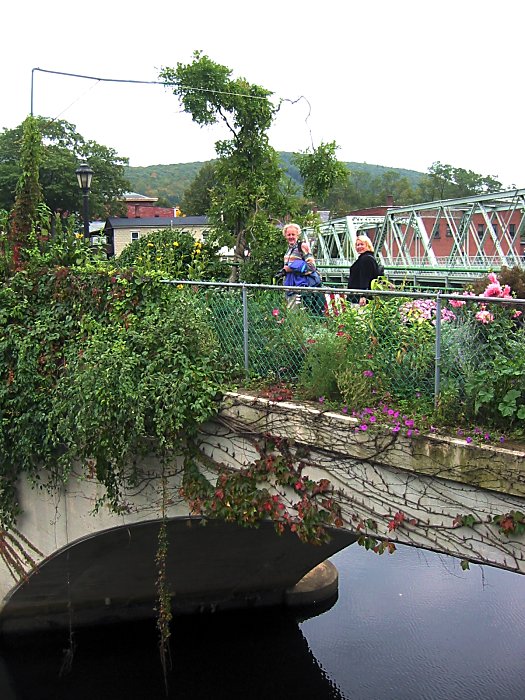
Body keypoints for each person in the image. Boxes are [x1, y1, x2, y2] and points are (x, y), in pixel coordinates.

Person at [281, 223, 322, 311]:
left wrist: (292, 269)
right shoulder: (289, 249)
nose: (291, 237)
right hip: (289, 286)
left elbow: (312, 266)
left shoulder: (302, 246)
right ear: (285, 236)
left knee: (296, 314)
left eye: (293, 234)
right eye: (288, 235)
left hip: (300, 287)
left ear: (297, 235)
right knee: (289, 312)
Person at [347, 234, 380, 305]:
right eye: (357, 245)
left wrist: (363, 295)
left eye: (362, 244)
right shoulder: (366, 258)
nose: (359, 247)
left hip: (359, 298)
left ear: (368, 245)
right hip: (358, 295)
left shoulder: (366, 259)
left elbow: (365, 278)